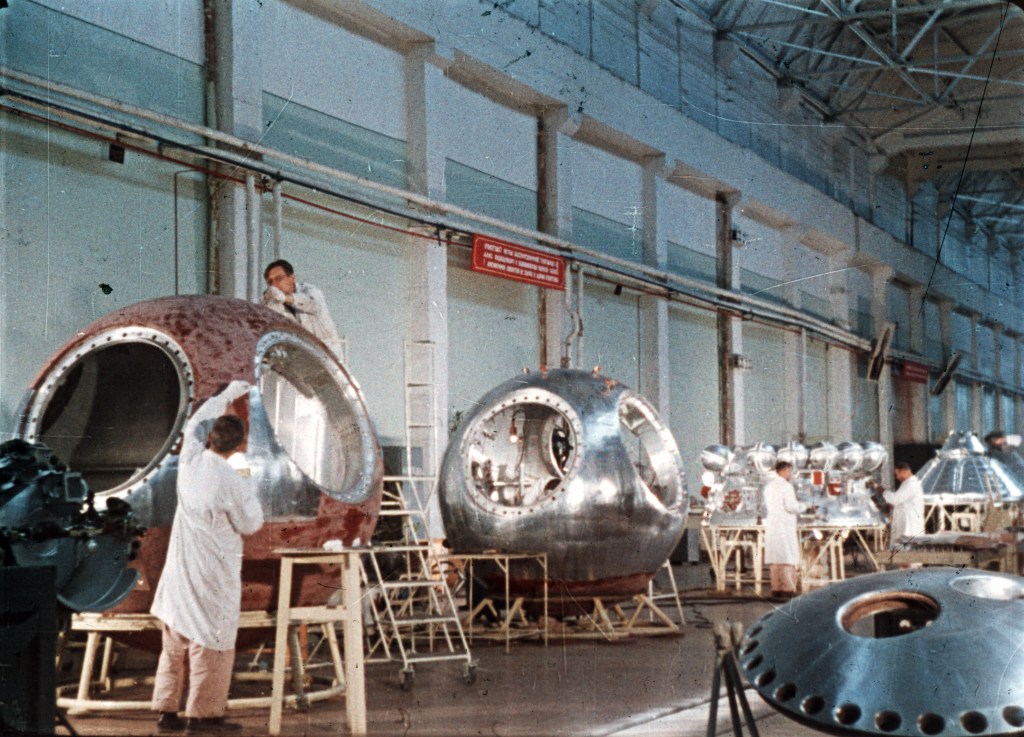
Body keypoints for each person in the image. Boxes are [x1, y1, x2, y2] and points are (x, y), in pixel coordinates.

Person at [151, 381, 264, 733]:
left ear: (210, 438)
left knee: (174, 643)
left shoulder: (190, 461)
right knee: (210, 644)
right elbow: (252, 523)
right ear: (239, 445)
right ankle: (204, 716)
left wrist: (225, 396)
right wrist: (245, 472)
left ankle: (167, 711)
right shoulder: (233, 479)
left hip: (181, 568)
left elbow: (193, 424)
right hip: (213, 572)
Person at [262, 259, 344, 358]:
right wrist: (271, 304)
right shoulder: (276, 302)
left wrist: (285, 298)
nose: (274, 285)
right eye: (270, 282)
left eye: (278, 279)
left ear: (291, 278)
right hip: (303, 360)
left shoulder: (310, 290)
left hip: (329, 357)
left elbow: (312, 303)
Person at [763, 460, 802, 598]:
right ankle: (788, 589)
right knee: (787, 557)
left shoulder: (768, 487)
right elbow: (791, 506)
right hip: (785, 525)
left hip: (772, 524)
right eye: (790, 471)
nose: (791, 474)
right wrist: (804, 507)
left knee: (775, 558)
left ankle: (776, 588)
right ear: (784, 471)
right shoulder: (786, 486)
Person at [883, 461, 925, 550]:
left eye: (898, 474)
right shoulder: (908, 484)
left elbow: (895, 499)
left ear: (904, 472)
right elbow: (900, 501)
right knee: (903, 555)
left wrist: (882, 491)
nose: (897, 477)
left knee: (908, 556)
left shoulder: (911, 484)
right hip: (906, 524)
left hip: (910, 526)